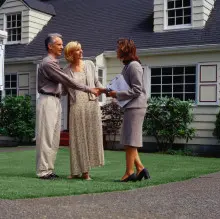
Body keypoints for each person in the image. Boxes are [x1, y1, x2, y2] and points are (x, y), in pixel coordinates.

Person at [36, 33, 101, 180]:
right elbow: (67, 80)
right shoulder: (48, 63)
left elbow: (64, 86)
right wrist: (88, 89)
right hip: (47, 100)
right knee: (46, 137)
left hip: (55, 100)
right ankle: (43, 171)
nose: (61, 47)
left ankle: (49, 169)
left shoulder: (55, 63)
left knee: (54, 138)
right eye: (59, 44)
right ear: (50, 46)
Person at [107, 38, 150, 182]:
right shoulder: (127, 66)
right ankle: (140, 169)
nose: (117, 50)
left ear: (125, 49)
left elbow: (137, 90)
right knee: (127, 140)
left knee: (131, 141)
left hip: (136, 106)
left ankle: (129, 172)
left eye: (119, 48)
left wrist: (117, 94)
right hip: (130, 106)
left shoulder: (134, 66)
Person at [63, 41, 104, 180]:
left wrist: (105, 90)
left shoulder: (89, 64)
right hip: (76, 106)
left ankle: (86, 172)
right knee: (77, 138)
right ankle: (76, 171)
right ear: (70, 53)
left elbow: (96, 82)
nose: (81, 52)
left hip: (91, 104)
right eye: (78, 50)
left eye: (81, 49)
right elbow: (63, 91)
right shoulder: (66, 71)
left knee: (89, 137)